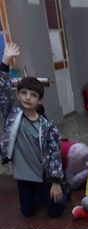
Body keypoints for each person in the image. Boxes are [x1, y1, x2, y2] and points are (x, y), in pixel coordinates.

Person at [0, 42, 66, 218]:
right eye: (24, 93)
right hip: (24, 177)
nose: (28, 98)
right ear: (17, 95)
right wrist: (5, 62)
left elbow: (55, 155)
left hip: (44, 176)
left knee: (55, 212)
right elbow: (3, 92)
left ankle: (62, 189)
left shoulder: (47, 126)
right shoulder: (12, 115)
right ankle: (38, 195)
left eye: (33, 95)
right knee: (27, 213)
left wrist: (56, 182)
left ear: (40, 101)